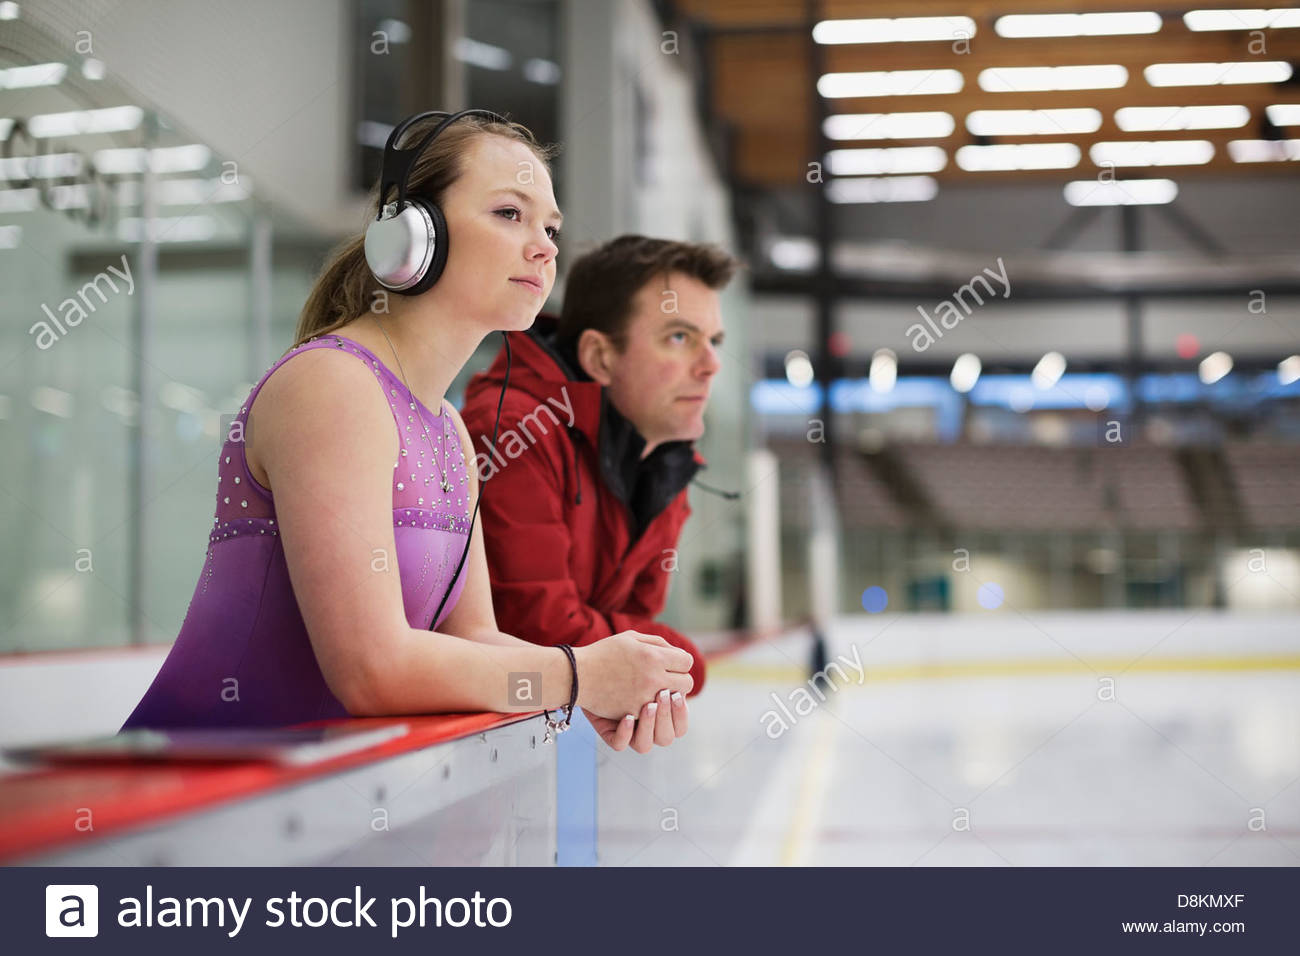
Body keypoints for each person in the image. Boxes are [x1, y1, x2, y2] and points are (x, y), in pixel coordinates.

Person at [121, 112, 693, 754]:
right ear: (414, 235)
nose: (546, 246)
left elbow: (471, 639)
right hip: (183, 812)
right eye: (510, 213)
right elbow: (372, 671)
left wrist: (588, 687)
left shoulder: (448, 427)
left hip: (295, 809)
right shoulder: (333, 386)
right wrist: (577, 675)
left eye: (551, 227)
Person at [459, 235, 739, 731]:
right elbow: (543, 633)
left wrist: (642, 660)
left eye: (713, 341)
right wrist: (672, 656)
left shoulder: (663, 458)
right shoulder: (515, 430)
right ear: (600, 357)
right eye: (680, 337)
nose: (711, 364)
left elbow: (634, 657)